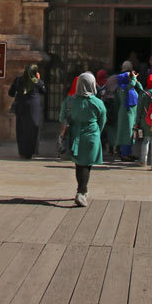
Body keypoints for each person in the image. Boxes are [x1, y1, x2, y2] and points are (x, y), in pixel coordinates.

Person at [60, 71, 106, 207]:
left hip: (75, 136)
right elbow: (102, 120)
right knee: (87, 165)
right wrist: (97, 132)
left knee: (79, 164)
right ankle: (81, 192)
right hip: (92, 135)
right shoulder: (97, 103)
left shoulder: (70, 101)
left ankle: (81, 190)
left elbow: (62, 117)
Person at [7, 63, 46, 159]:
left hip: (21, 107)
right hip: (34, 108)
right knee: (34, 128)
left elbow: (11, 93)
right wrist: (39, 79)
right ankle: (32, 151)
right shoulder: (38, 82)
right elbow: (44, 92)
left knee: (21, 129)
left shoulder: (18, 80)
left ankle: (22, 151)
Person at [113, 61, 143, 161]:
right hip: (126, 112)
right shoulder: (123, 88)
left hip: (132, 112)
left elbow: (141, 90)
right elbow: (130, 85)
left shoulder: (131, 87)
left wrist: (136, 81)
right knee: (127, 133)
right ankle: (124, 154)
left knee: (131, 133)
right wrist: (133, 79)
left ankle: (128, 152)